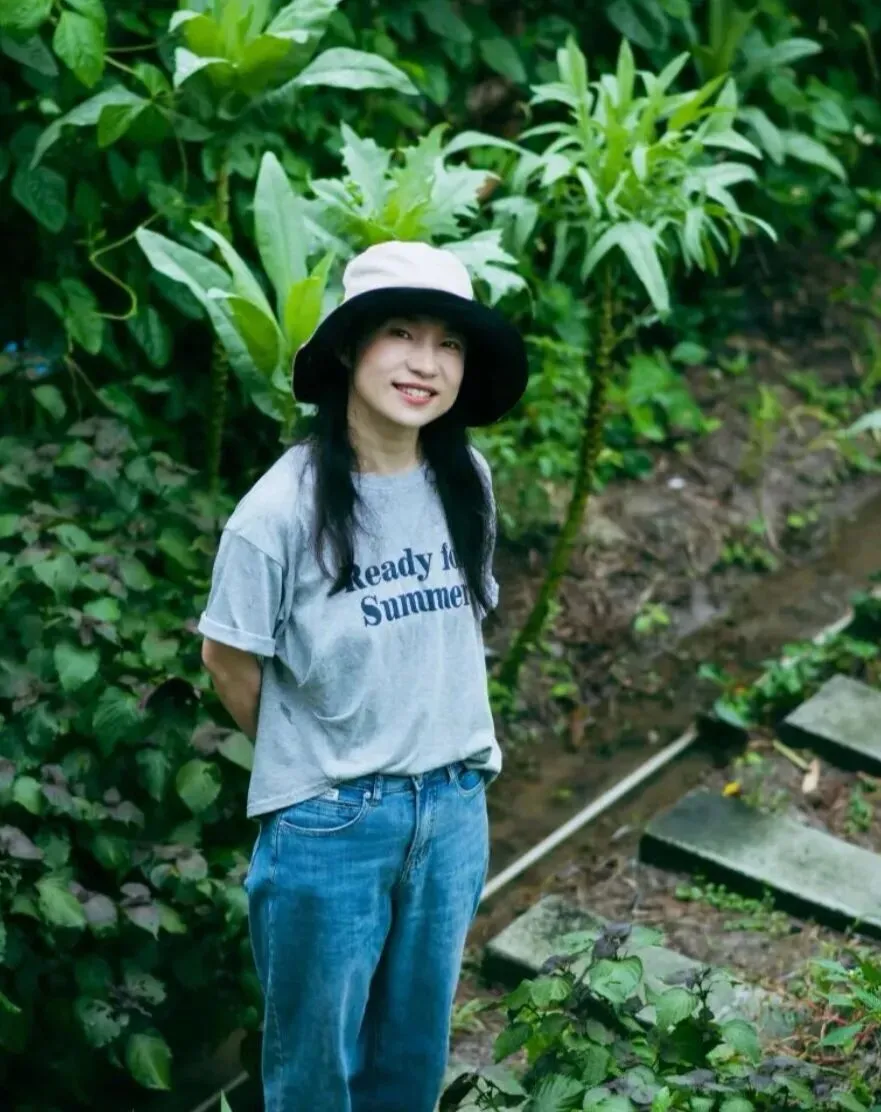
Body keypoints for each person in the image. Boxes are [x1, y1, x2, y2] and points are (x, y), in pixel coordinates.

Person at [197, 240, 528, 1112]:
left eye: (449, 344)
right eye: (400, 334)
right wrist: (318, 760)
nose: (426, 363)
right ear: (349, 348)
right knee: (315, 1072)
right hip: (333, 823)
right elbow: (226, 659)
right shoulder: (276, 513)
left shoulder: (465, 479)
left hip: (452, 811)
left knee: (411, 1061)